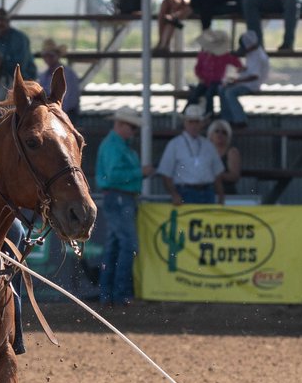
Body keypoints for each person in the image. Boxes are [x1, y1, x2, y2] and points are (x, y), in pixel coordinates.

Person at [94, 106, 150, 307]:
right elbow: (113, 176)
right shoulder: (115, 146)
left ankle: (108, 294)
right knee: (127, 245)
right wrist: (139, 172)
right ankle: (120, 294)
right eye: (132, 127)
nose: (133, 131)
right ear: (121, 125)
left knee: (115, 246)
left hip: (118, 198)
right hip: (119, 198)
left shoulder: (115, 145)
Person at [157, 104, 224, 206]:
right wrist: (174, 194)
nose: (194, 125)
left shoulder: (209, 145)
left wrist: (221, 196)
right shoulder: (174, 144)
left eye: (197, 122)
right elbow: (166, 174)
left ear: (202, 123)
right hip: (185, 192)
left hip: (208, 192)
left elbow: (217, 173)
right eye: (191, 122)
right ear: (185, 123)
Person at [218, 30, 269, 129]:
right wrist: (243, 70)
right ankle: (227, 118)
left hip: (252, 84)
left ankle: (240, 120)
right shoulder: (253, 52)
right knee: (222, 88)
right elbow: (251, 69)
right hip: (246, 81)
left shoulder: (258, 56)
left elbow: (254, 76)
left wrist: (238, 81)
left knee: (230, 92)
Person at [185, 29, 241, 117]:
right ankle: (187, 113)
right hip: (205, 81)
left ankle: (209, 114)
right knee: (195, 94)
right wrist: (200, 77)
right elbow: (197, 68)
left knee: (209, 94)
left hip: (218, 82)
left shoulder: (226, 56)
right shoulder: (203, 55)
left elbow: (238, 66)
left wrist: (232, 77)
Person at [0, 7, 37, 81]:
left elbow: (20, 66)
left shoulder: (19, 38)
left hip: (23, 79)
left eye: (2, 20)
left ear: (8, 21)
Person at [38, 39, 80, 118]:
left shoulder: (68, 74)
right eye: (45, 56)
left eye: (51, 56)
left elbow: (68, 100)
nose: (48, 58)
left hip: (67, 113)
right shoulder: (43, 76)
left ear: (57, 56)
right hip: (51, 112)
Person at [207, 119, 241, 197]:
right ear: (210, 134)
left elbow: (235, 176)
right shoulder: (205, 151)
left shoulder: (232, 152)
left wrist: (216, 175)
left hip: (227, 193)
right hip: (206, 193)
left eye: (224, 132)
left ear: (228, 136)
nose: (220, 134)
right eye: (217, 131)